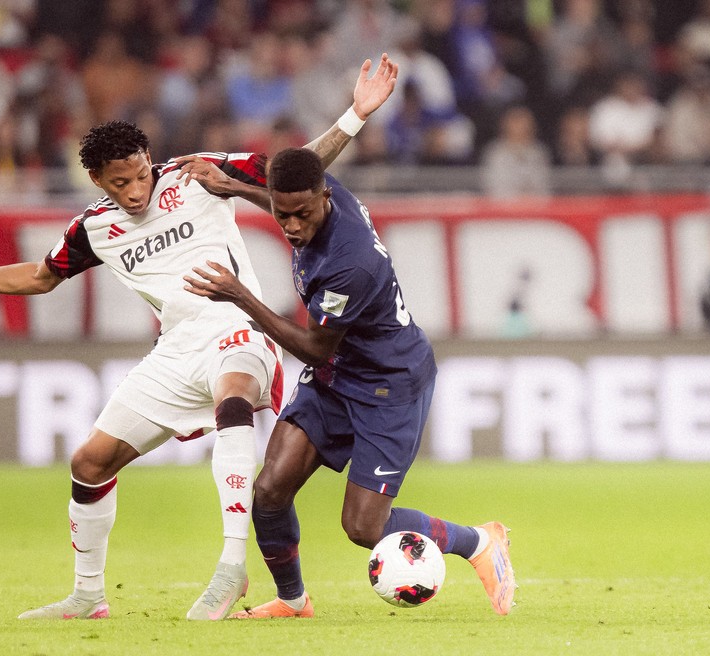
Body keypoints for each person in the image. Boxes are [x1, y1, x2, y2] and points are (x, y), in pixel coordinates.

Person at [0, 54, 400, 621]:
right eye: (121, 182)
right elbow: (40, 276)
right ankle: (88, 596)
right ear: (96, 180)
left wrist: (356, 115)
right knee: (89, 463)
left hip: (238, 325)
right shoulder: (93, 228)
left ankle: (233, 566)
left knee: (233, 398)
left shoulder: (197, 173)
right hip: (175, 349)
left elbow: (298, 170)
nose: (137, 189)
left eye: (141, 174)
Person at [180, 147, 516, 619]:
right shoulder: (324, 191)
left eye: (302, 214)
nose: (292, 227)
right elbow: (289, 202)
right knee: (270, 491)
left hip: (389, 384)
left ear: (324, 197)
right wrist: (235, 187)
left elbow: (315, 347)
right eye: (282, 214)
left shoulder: (349, 263)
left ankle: (479, 541)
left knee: (362, 527)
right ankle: (293, 601)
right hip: (336, 378)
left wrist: (240, 295)